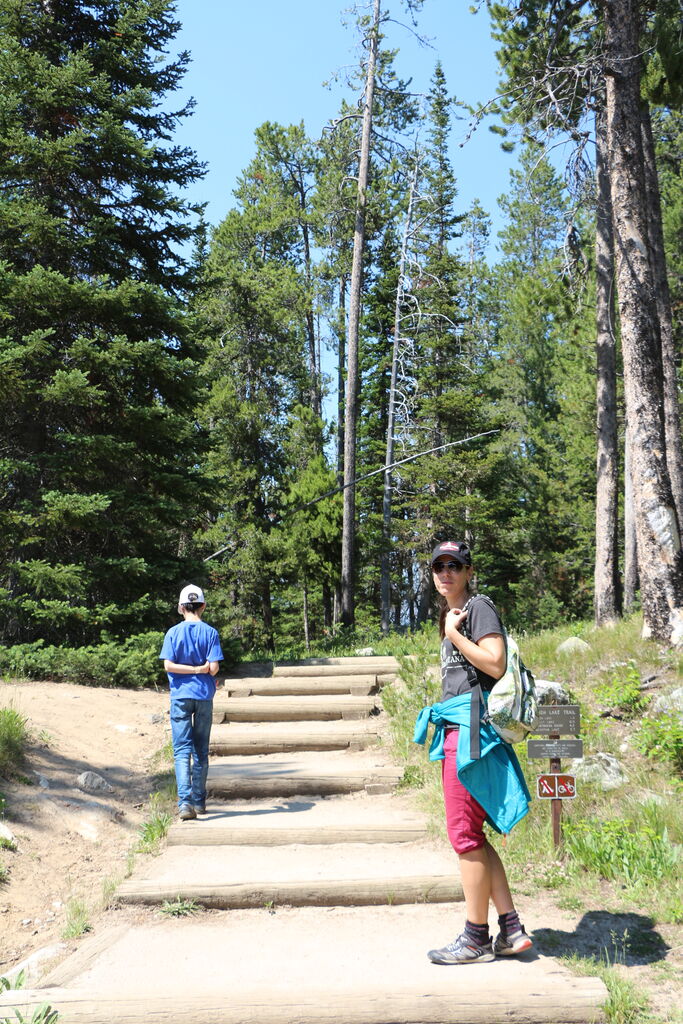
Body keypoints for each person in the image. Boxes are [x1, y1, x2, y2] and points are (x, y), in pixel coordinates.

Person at [413, 540, 532, 965]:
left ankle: (475, 937)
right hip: (461, 728)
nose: (445, 573)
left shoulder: (477, 607)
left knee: (463, 836)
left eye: (454, 566)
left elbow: (495, 664)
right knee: (475, 836)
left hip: (469, 734)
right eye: (438, 567)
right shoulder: (455, 613)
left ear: (467, 570)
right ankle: (511, 928)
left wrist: (451, 634)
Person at [159, 584, 224, 821]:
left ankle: (185, 803)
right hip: (204, 697)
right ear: (203, 606)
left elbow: (168, 665)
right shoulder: (211, 633)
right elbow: (214, 669)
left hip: (180, 697)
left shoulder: (173, 633)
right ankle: (199, 801)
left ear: (180, 607)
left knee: (181, 751)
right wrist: (201, 668)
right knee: (200, 751)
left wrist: (187, 669)